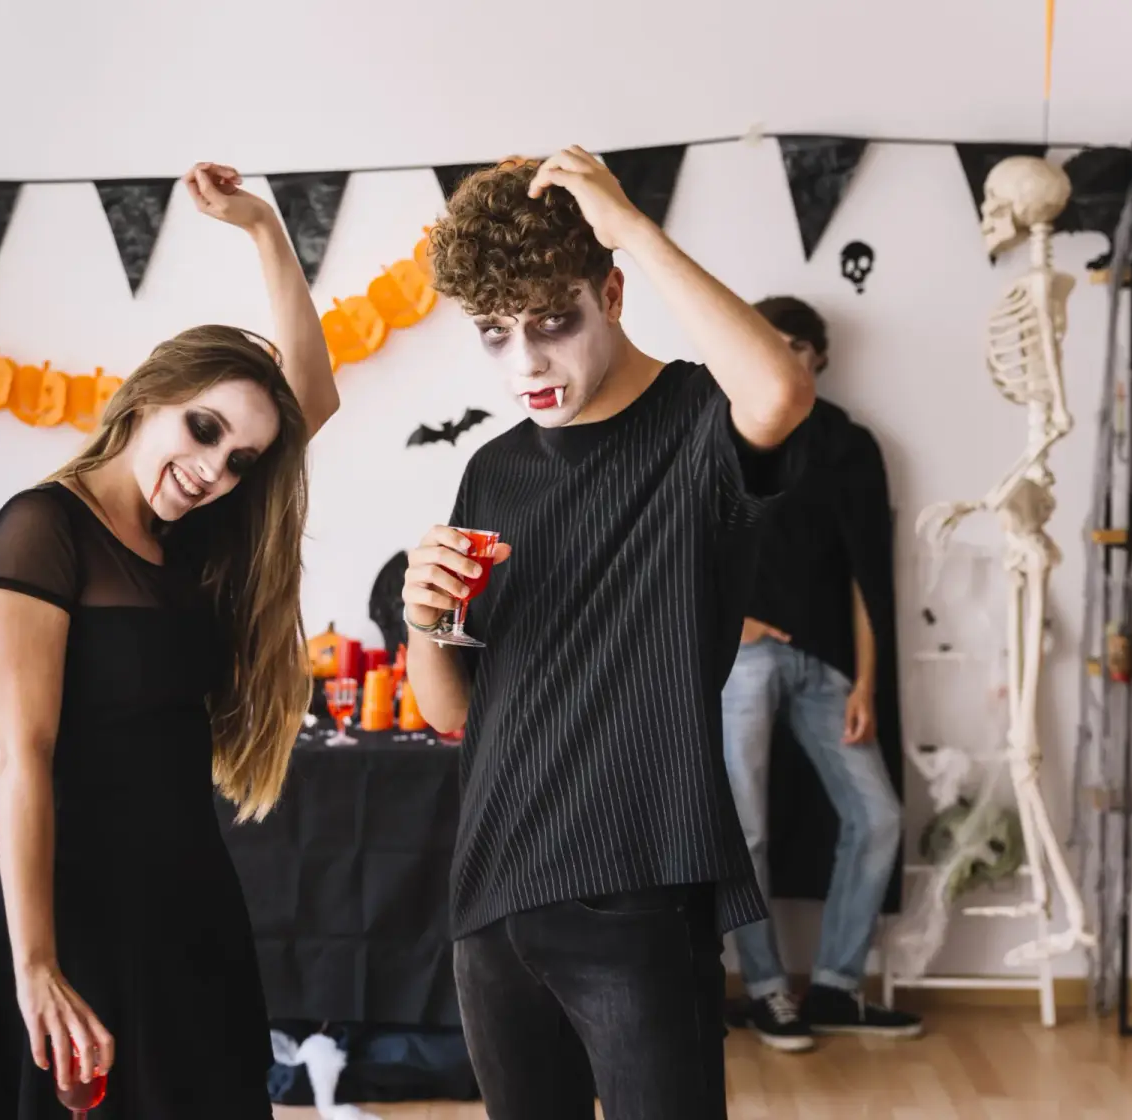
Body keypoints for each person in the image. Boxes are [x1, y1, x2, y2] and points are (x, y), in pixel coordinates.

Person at [399, 150, 815, 1118]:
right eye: (495, 335)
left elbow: (781, 394)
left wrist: (628, 222)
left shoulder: (697, 424)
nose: (527, 363)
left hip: (638, 883)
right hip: (495, 891)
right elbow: (454, 706)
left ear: (614, 291)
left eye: (554, 322)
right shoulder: (493, 471)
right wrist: (422, 620)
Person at [0, 162, 338, 1119]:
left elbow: (313, 400)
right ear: (148, 397)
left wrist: (264, 229)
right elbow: (25, 759)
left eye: (238, 459)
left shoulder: (191, 538)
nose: (214, 469)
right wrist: (35, 962)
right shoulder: (41, 530)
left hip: (188, 897)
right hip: (79, 912)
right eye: (203, 428)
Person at [720, 296, 918, 1051]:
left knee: (879, 817)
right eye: (767, 343)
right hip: (743, 658)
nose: (784, 355)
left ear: (820, 356)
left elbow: (868, 575)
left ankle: (835, 987)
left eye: (797, 344)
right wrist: (727, 624)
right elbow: (680, 548)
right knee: (746, 829)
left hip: (831, 661)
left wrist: (867, 683)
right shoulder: (721, 435)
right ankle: (767, 991)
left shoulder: (849, 446)